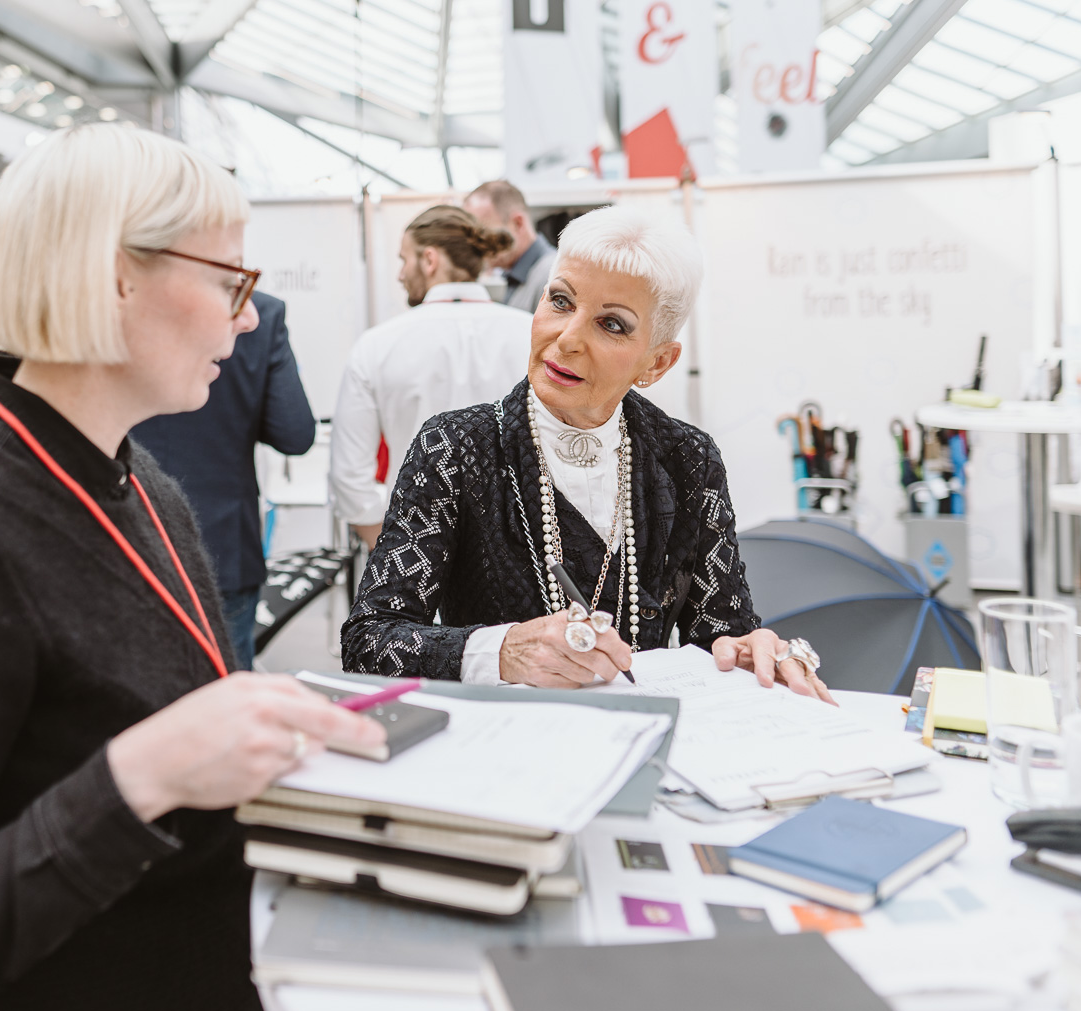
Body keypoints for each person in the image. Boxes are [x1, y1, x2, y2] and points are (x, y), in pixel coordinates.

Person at [0, 124, 382, 1011]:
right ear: (115, 274)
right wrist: (136, 778)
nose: (246, 317)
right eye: (233, 280)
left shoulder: (141, 480)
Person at [340, 205, 834, 702]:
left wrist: (748, 651)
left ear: (657, 362)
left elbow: (721, 633)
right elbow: (369, 641)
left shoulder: (688, 459)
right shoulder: (454, 447)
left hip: (649, 752)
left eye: (612, 325)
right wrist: (502, 650)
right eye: (560, 301)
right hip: (501, 753)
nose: (568, 339)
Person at [130, 291, 316, 670]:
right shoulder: (261, 312)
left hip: (128, 534)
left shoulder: (124, 299)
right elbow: (294, 433)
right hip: (224, 546)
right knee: (226, 692)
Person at [329, 204, 531, 549]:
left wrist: (395, 555)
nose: (400, 274)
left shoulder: (377, 345)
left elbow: (349, 477)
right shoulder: (532, 335)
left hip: (415, 551)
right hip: (520, 555)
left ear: (430, 259)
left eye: (403, 259)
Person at [465, 179, 561, 314]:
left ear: (517, 223)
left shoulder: (551, 276)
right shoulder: (517, 276)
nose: (477, 245)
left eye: (484, 233)